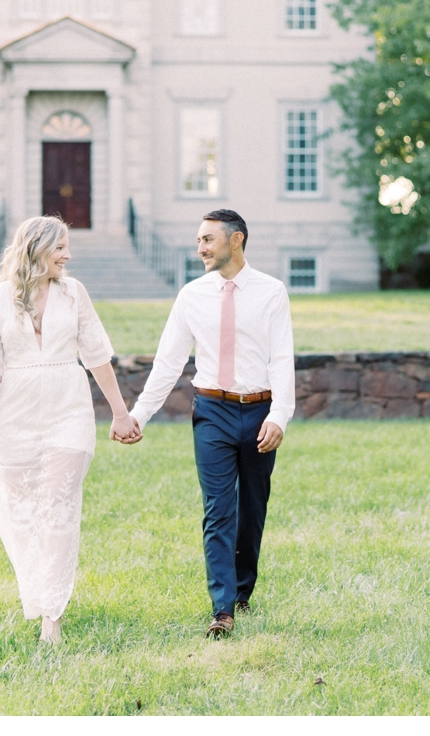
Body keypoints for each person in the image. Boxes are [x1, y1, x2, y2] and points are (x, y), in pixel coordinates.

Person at [115, 209, 294, 639]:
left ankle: (242, 590)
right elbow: (168, 363)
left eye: (208, 240)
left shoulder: (272, 292)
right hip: (211, 411)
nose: (200, 249)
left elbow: (282, 358)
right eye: (198, 240)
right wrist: (138, 414)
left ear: (236, 241)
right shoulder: (191, 296)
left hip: (258, 412)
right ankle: (222, 608)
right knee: (218, 511)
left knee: (252, 510)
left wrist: (279, 416)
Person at [0, 215, 141, 643]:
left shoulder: (74, 293)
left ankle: (52, 618)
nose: (68, 254)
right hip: (17, 416)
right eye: (60, 247)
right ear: (36, 250)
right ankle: (39, 593)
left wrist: (120, 413)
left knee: (58, 506)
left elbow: (97, 355)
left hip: (70, 410)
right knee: (26, 513)